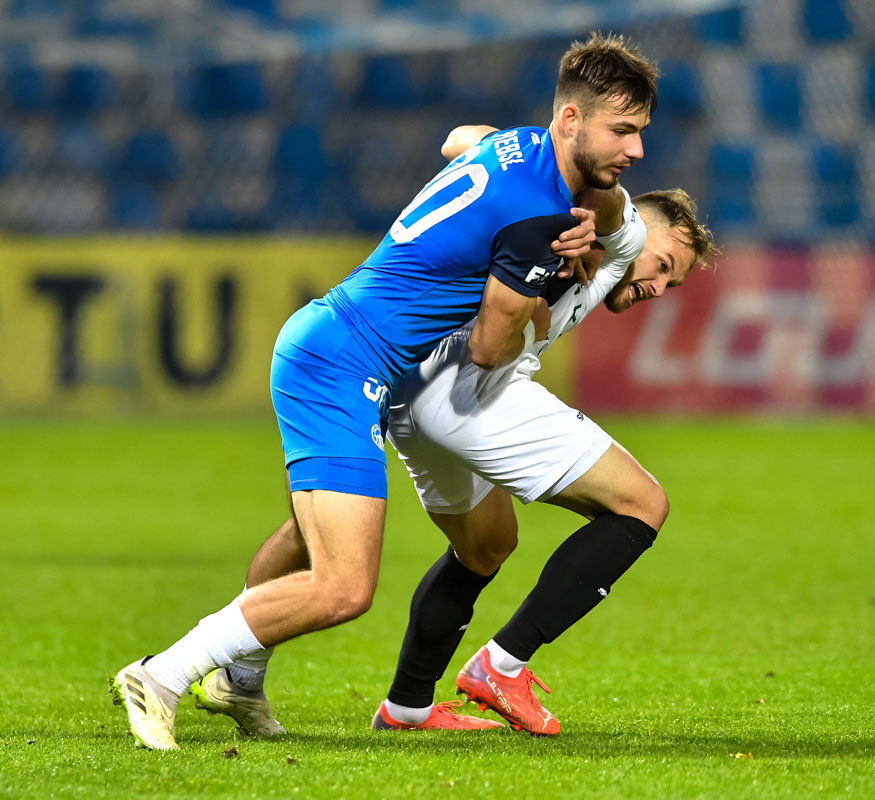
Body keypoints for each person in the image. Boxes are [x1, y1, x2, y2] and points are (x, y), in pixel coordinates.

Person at [110, 32, 660, 751]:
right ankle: (160, 674)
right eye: (622, 131)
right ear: (570, 119)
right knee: (344, 587)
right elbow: (489, 350)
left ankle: (239, 678)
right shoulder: (536, 219)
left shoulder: (517, 146)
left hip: (331, 346)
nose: (636, 149)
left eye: (641, 132)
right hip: (338, 367)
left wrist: (581, 226)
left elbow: (458, 139)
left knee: (308, 536)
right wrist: (544, 281)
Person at [188, 153, 714, 737]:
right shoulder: (601, 225)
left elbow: (469, 143)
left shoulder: (566, 225)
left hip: (412, 389)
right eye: (662, 265)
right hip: (470, 389)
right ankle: (503, 665)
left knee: (480, 545)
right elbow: (536, 183)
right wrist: (585, 225)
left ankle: (400, 706)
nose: (659, 287)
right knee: (642, 503)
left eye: (672, 283)